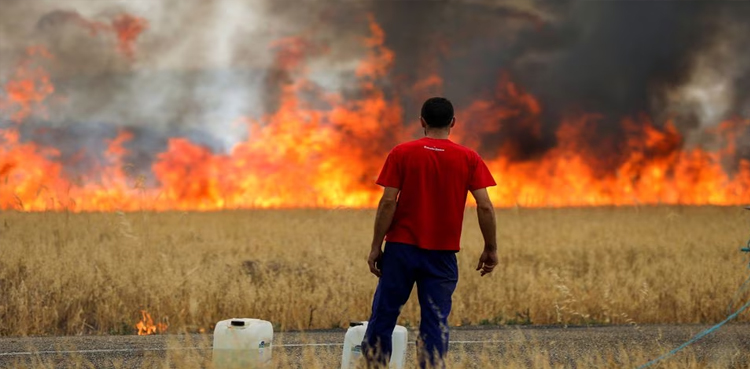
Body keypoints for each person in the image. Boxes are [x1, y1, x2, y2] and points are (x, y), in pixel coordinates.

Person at [362, 97, 498, 368]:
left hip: (401, 250)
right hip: (442, 254)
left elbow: (389, 201)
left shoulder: (401, 152)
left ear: (422, 121)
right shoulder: (469, 158)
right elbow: (484, 205)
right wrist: (490, 247)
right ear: (453, 123)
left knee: (384, 315)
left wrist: (377, 245)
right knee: (435, 321)